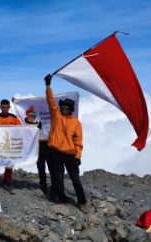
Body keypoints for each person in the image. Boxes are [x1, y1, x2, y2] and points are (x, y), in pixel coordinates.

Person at [44, 74, 88, 211]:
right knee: (57, 177)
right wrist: (48, 86)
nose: (64, 109)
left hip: (69, 154)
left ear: (71, 109)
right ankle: (61, 198)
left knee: (75, 179)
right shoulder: (56, 116)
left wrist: (78, 156)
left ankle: (82, 202)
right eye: (63, 107)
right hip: (54, 152)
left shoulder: (76, 123)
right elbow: (51, 101)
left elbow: (78, 140)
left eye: (67, 108)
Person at [23, 107, 49, 195]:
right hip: (35, 148)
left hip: (45, 145)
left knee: (51, 167)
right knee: (41, 168)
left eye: (34, 115)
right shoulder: (23, 125)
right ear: (27, 115)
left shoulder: (39, 124)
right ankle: (43, 186)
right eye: (31, 115)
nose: (33, 117)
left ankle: (53, 187)